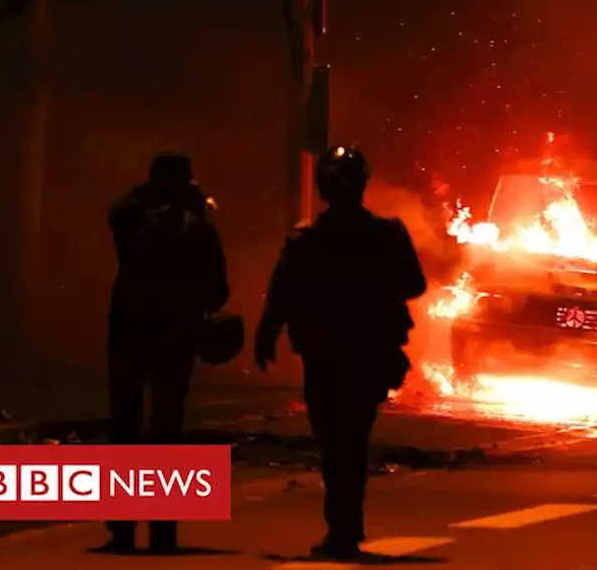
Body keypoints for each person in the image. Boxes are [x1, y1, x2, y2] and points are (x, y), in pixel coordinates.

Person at [254, 145, 427, 561]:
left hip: (329, 354)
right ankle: (345, 527)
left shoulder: (309, 239)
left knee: (335, 442)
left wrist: (267, 334)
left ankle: (342, 529)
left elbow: (282, 294)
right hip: (363, 352)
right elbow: (413, 284)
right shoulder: (383, 235)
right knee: (351, 440)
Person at [103, 152, 229, 554]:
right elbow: (218, 290)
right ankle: (163, 530)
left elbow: (115, 213)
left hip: (129, 333)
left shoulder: (133, 220)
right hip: (174, 338)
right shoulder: (198, 228)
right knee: (167, 430)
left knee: (124, 427)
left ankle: (121, 529)